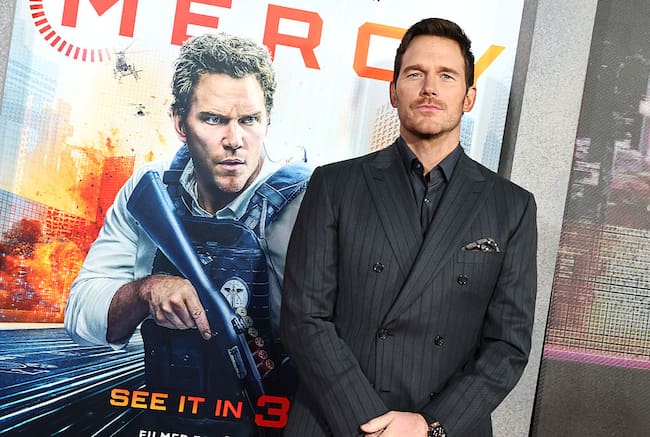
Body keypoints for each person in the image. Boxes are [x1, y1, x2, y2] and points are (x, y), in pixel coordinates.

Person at [280, 17, 537, 437]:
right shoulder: (335, 184)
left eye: (446, 75)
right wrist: (373, 425)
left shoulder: (511, 206)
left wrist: (429, 425)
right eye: (415, 73)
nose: (429, 87)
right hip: (335, 421)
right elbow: (304, 318)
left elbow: (508, 345)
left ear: (469, 97)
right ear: (393, 91)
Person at [65, 32, 310, 434]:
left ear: (267, 119)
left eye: (249, 120)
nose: (235, 140)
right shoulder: (150, 189)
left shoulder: (311, 201)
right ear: (180, 122)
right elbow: (80, 314)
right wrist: (145, 292)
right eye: (214, 119)